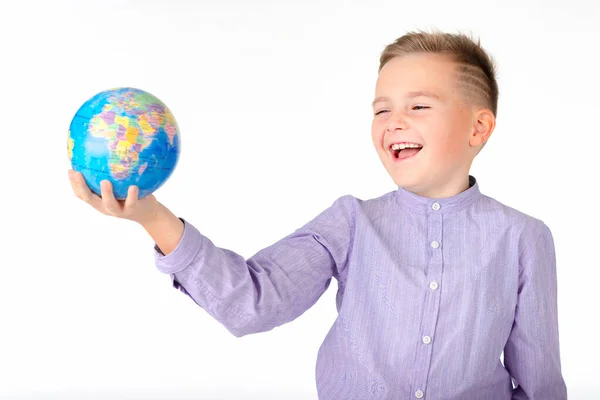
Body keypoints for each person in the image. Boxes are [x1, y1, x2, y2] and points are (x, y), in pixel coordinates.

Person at [68, 29, 568, 400]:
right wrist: (154, 218)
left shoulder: (524, 238)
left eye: (418, 107)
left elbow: (540, 383)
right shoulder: (351, 223)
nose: (393, 121)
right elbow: (254, 302)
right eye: (380, 109)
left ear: (478, 128)